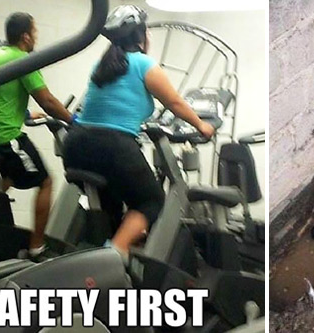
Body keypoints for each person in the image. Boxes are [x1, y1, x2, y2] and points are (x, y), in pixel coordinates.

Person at [62, 5, 215, 256]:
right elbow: (175, 103)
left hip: (76, 144)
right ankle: (112, 257)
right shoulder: (143, 63)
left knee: (113, 209)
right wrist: (202, 125)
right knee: (151, 202)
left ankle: (106, 259)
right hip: (112, 147)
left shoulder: (102, 66)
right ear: (141, 36)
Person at [0, 12, 73, 260]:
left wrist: (24, 113)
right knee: (46, 181)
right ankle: (37, 247)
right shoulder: (24, 60)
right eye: (35, 32)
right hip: (2, 136)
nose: (36, 37)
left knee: (15, 169)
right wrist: (74, 121)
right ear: (25, 36)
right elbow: (47, 101)